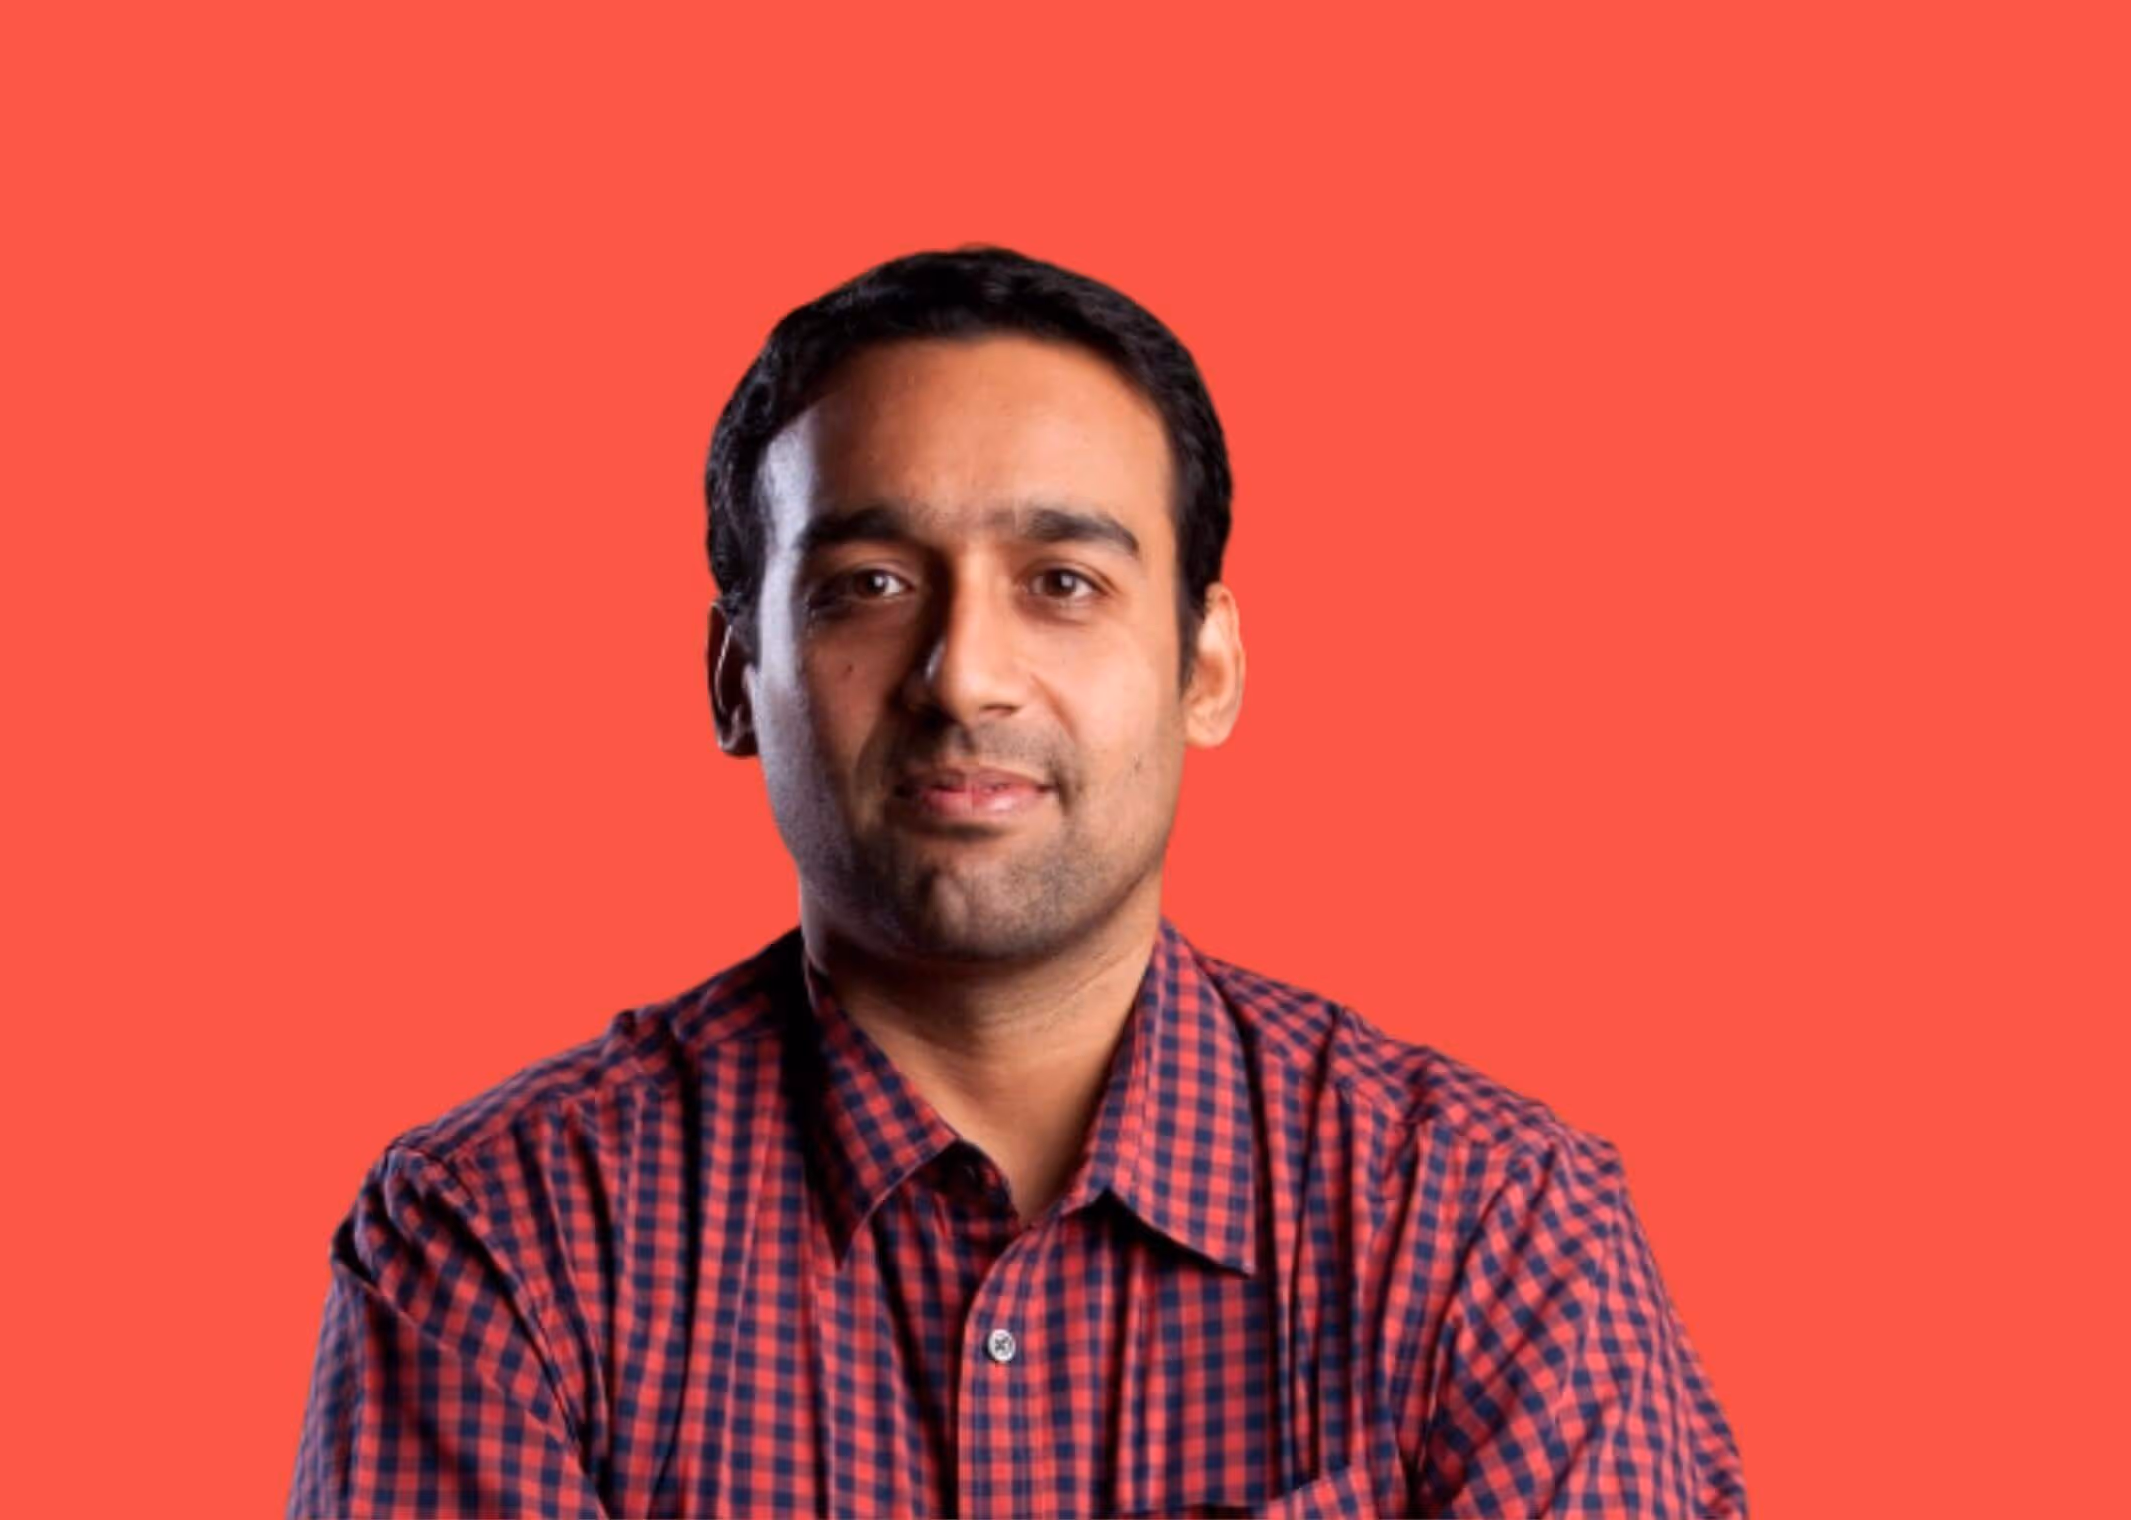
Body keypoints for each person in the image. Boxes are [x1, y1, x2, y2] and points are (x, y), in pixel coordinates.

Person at [284, 246, 1747, 1518]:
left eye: (1062, 584)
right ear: (737, 680)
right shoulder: (505, 1244)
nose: (964, 675)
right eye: (869, 585)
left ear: (1206, 665)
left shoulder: (1492, 1233)